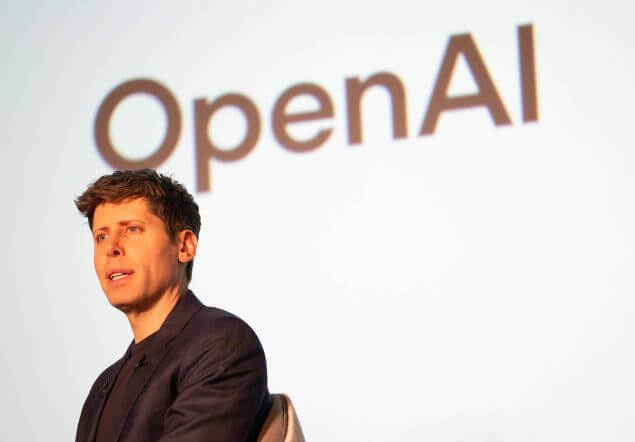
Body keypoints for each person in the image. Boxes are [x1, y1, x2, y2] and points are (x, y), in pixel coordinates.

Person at [74, 169, 269, 442]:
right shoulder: (104, 384)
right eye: (101, 236)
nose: (111, 248)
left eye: (131, 229)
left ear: (185, 246)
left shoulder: (221, 344)